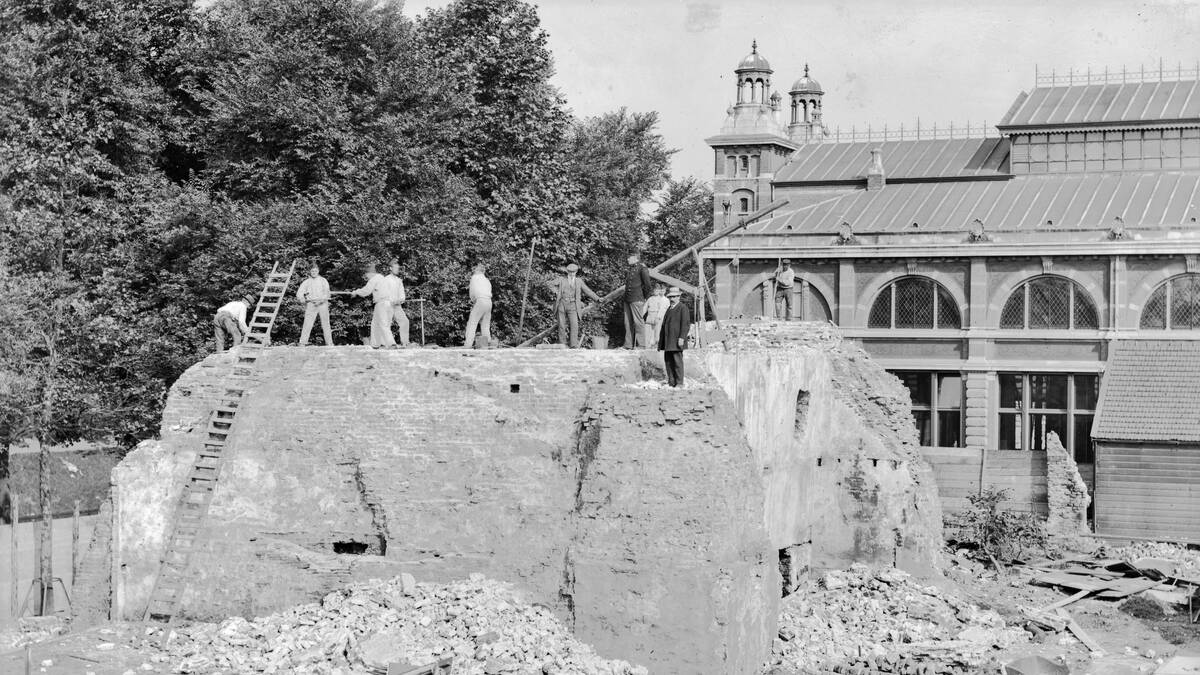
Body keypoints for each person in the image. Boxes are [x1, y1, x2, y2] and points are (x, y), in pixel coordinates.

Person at [552, 263, 601, 348]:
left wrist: (597, 298)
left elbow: (587, 291)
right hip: (562, 304)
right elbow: (549, 284)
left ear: (576, 272)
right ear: (567, 272)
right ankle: (562, 344)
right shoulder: (561, 280)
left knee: (574, 325)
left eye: (573, 272)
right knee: (561, 325)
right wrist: (556, 292)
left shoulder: (579, 281)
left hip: (573, 305)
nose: (571, 274)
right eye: (570, 272)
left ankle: (573, 345)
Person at [350, 263, 396, 349]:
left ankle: (391, 343)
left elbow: (366, 291)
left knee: (383, 323)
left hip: (381, 303)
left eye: (366, 274)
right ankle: (375, 344)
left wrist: (356, 292)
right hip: (389, 303)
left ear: (370, 273)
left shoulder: (374, 279)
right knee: (376, 324)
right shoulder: (383, 278)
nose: (366, 277)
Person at [658, 287, 691, 387]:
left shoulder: (682, 308)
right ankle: (671, 382)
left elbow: (685, 324)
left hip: (676, 340)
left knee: (677, 362)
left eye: (674, 297)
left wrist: (681, 337)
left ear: (678, 297)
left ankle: (680, 383)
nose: (672, 299)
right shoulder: (669, 308)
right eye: (670, 297)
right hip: (668, 341)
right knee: (668, 362)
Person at [296, 262, 333, 346]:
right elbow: (299, 293)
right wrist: (302, 298)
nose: (314, 273)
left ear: (318, 271)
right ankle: (302, 342)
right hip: (311, 304)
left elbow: (327, 293)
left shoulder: (323, 280)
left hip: (322, 304)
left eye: (315, 271)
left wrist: (321, 301)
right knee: (307, 323)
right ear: (310, 272)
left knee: (326, 324)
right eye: (312, 271)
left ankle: (329, 343)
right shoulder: (306, 282)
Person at [622, 253, 653, 349]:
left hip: (637, 298)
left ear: (636, 258)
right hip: (628, 299)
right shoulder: (630, 269)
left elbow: (648, 285)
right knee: (627, 322)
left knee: (638, 322)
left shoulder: (642, 268)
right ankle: (628, 344)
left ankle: (642, 344)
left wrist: (644, 297)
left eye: (629, 258)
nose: (627, 259)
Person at [464, 264, 492, 348]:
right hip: (489, 301)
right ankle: (488, 343)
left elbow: (472, 292)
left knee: (472, 322)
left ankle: (468, 344)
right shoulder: (487, 280)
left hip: (480, 300)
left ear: (477, 270)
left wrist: (473, 301)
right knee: (485, 324)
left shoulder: (474, 278)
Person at [384, 259, 410, 348]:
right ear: (390, 268)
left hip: (397, 306)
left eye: (398, 268)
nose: (397, 270)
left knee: (405, 322)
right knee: (386, 324)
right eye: (395, 268)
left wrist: (400, 300)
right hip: (388, 305)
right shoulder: (386, 280)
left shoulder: (399, 281)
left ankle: (405, 343)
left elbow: (402, 295)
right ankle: (388, 343)